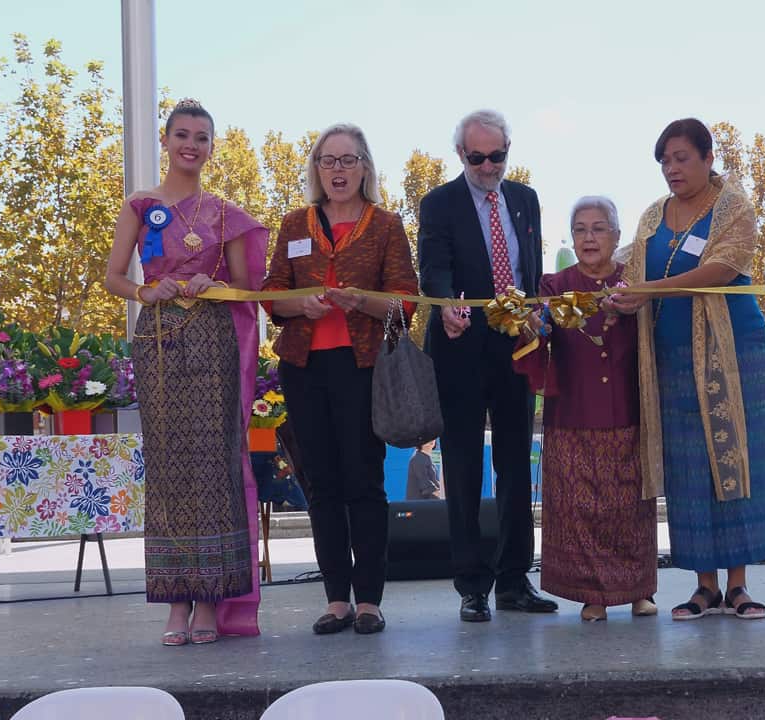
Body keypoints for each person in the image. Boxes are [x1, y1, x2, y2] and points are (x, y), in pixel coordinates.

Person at [103, 99, 268, 646]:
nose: (191, 145)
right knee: (170, 466)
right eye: (182, 135)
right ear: (166, 140)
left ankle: (211, 603)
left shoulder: (225, 213)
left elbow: (248, 289)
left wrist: (209, 285)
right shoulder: (140, 205)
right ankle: (176, 601)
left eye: (201, 137)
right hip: (157, 341)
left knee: (215, 465)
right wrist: (147, 290)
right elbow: (113, 277)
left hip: (212, 340)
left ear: (211, 147)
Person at [608, 118, 765, 621]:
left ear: (707, 158)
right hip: (671, 358)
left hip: (732, 353)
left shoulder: (733, 207)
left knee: (735, 458)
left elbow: (722, 269)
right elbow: (632, 272)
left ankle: (739, 585)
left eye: (682, 158)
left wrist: (649, 292)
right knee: (688, 466)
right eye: (664, 161)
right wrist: (619, 295)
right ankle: (703, 587)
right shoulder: (651, 216)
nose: (672, 169)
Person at [262, 123, 419, 636]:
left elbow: (405, 303)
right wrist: (299, 304)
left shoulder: (386, 225)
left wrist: (362, 300)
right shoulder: (293, 223)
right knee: (322, 484)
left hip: (364, 369)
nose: (338, 170)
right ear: (316, 169)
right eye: (328, 161)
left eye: (348, 160)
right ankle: (336, 600)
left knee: (364, 483)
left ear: (365, 168)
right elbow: (270, 296)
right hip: (304, 369)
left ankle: (369, 600)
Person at [418, 109, 557, 622]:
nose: (487, 165)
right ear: (461, 155)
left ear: (507, 151)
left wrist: (538, 316)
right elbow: (434, 268)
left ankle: (515, 580)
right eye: (477, 157)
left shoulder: (525, 199)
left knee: (518, 464)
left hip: (515, 346)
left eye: (496, 156)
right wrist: (444, 306)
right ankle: (471, 586)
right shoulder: (438, 203)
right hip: (459, 346)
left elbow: (530, 268)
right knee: (463, 466)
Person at [514, 196, 658, 622]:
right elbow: (534, 338)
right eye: (580, 229)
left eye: (599, 228)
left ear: (616, 235)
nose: (589, 237)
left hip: (629, 410)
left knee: (632, 505)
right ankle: (592, 596)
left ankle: (640, 592)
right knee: (582, 509)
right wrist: (531, 325)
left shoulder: (635, 282)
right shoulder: (554, 285)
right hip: (572, 412)